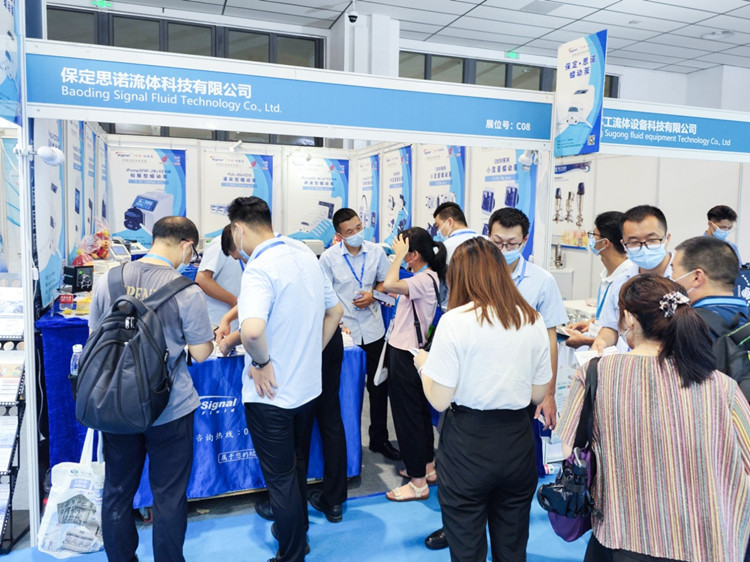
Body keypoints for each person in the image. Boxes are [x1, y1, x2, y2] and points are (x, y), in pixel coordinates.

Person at [557, 275, 750, 561]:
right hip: (706, 544)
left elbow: (569, 450)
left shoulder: (598, 373)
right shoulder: (721, 385)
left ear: (629, 318)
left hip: (622, 538)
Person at [423, 207, 568, 551]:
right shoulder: (530, 318)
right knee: (512, 543)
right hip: (517, 440)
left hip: (468, 442)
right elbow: (537, 394)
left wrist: (424, 365)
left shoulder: (455, 320)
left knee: (466, 543)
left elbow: (440, 400)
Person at [89, 216, 214, 562]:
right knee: (169, 496)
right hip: (170, 406)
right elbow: (201, 353)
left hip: (116, 403)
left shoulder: (109, 279)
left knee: (117, 490)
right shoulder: (187, 290)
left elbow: (95, 336)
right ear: (187, 246)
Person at [229, 196, 343, 562]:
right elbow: (335, 310)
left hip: (271, 396)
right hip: (306, 388)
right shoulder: (304, 253)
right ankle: (297, 530)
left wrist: (261, 361)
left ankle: (292, 553)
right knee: (296, 464)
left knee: (280, 478)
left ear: (238, 229)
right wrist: (311, 352)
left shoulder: (259, 268)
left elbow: (251, 331)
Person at [319, 208, 400, 461]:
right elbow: (323, 295)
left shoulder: (376, 252)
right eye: (349, 231)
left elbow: (385, 283)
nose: (356, 233)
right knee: (344, 391)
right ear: (339, 235)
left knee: (378, 387)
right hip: (345, 334)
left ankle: (379, 439)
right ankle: (345, 444)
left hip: (374, 329)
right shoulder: (328, 259)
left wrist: (373, 295)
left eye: (358, 228)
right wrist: (335, 323)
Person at [382, 227, 446, 502]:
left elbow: (389, 284)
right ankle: (426, 467)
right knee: (418, 414)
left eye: (401, 248)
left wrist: (398, 257)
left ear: (414, 255)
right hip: (411, 353)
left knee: (408, 417)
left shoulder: (422, 279)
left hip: (406, 355)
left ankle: (418, 482)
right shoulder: (428, 276)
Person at [591, 204, 673, 355]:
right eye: (634, 242)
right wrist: (602, 341)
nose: (643, 247)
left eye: (652, 240)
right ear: (624, 244)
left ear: (667, 238)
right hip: (629, 362)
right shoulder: (621, 282)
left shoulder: (684, 278)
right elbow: (610, 326)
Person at [565, 211, 631, 349]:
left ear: (605, 243)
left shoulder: (628, 280)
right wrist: (593, 323)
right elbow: (612, 318)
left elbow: (627, 335)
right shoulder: (608, 274)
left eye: (594, 235)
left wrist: (587, 341)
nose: (591, 240)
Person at [672, 235, 748, 334]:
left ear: (697, 277)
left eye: (673, 270)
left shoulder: (687, 326)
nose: (672, 277)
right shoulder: (745, 318)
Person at [195, 224, 244, 330]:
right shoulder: (220, 243)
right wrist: (234, 301)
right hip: (217, 322)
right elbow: (202, 279)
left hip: (240, 322)